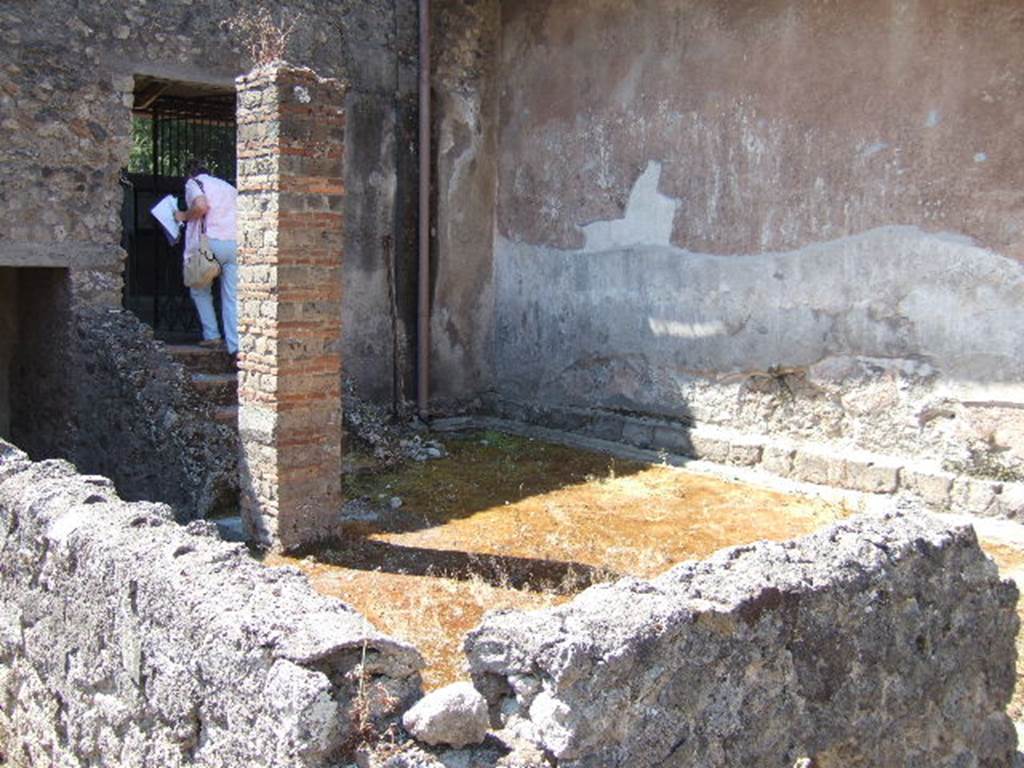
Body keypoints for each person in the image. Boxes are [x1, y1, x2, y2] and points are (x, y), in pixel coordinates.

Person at [175, 160, 239, 357]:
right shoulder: (229, 187)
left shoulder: (195, 183)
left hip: (209, 244)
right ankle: (235, 346)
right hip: (235, 244)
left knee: (199, 288)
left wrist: (183, 216)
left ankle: (212, 335)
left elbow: (201, 206)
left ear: (190, 174)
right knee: (232, 297)